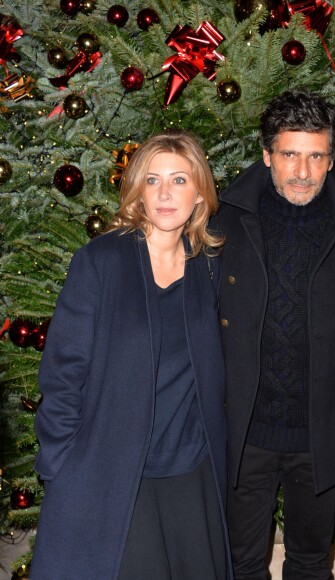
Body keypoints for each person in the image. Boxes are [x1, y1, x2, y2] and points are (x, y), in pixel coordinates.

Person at [31, 130, 232, 580]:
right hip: (116, 468)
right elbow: (63, 375)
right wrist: (61, 464)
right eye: (153, 180)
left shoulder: (210, 264)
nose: (165, 193)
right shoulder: (101, 261)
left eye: (180, 180)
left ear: (199, 193)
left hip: (190, 469)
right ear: (137, 190)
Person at [212, 90, 335, 579]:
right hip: (245, 429)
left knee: (309, 561)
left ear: (331, 160)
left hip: (319, 429)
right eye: (289, 154)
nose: (302, 171)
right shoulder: (222, 222)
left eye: (316, 155)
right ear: (267, 156)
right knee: (240, 564)